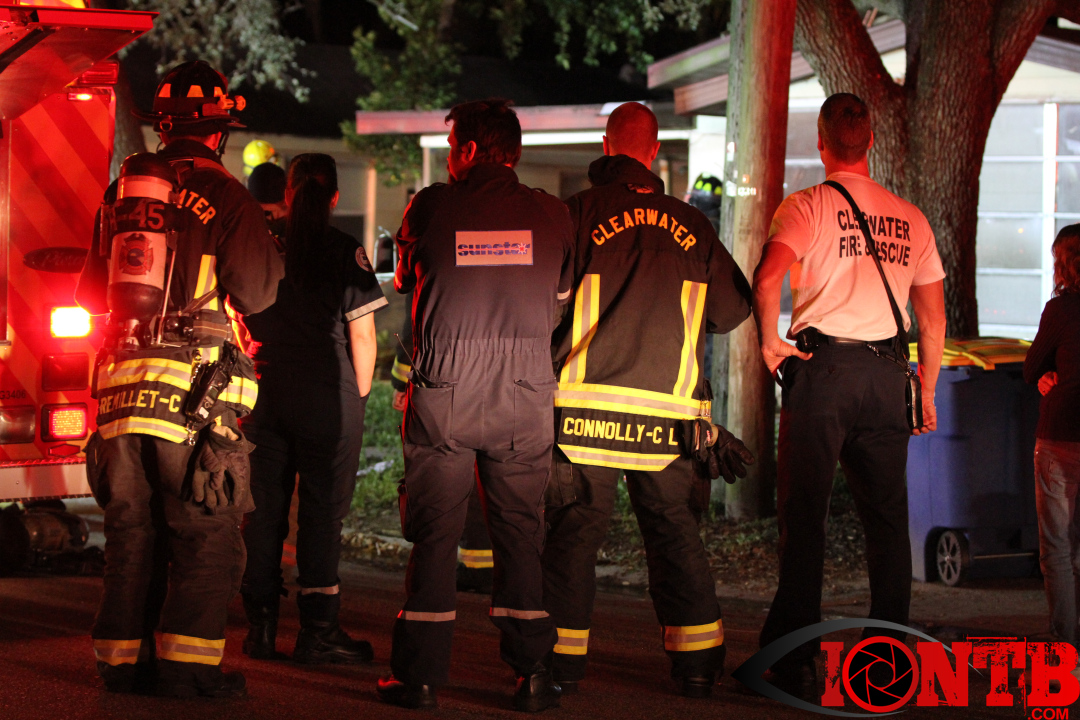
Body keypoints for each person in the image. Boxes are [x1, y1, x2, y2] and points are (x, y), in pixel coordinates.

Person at [76, 61, 284, 698]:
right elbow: (258, 294)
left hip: (120, 390)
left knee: (130, 532)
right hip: (193, 400)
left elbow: (89, 292)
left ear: (162, 129)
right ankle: (189, 672)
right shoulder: (228, 196)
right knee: (204, 530)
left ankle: (121, 663)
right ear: (219, 132)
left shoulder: (123, 197)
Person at [542, 102, 752, 699]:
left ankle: (560, 667)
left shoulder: (577, 214)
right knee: (673, 532)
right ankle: (698, 666)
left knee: (574, 535)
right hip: (668, 420)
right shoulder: (693, 224)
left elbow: (544, 304)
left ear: (607, 145)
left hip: (583, 417)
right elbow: (730, 312)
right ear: (654, 152)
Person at [376, 98, 574, 712]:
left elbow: (405, 280)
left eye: (452, 147)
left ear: (465, 150)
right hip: (524, 392)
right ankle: (533, 674)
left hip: (447, 390)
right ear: (514, 152)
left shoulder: (430, 207)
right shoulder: (553, 214)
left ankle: (420, 678)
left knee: (436, 532)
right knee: (520, 532)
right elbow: (561, 297)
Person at [752, 92, 946, 702]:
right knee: (887, 524)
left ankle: (796, 659)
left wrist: (770, 342)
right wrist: (926, 389)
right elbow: (933, 320)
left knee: (804, 516)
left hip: (825, 372)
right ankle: (888, 661)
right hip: (889, 375)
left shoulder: (807, 206)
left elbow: (767, 277)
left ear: (821, 141)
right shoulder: (910, 218)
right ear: (870, 143)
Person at [239, 154, 387, 664]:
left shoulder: (266, 247)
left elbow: (240, 316)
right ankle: (318, 631)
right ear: (335, 198)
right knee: (322, 516)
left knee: (262, 512)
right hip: (328, 396)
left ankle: (259, 627)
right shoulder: (345, 251)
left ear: (287, 194)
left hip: (265, 393)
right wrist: (357, 399)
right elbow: (362, 337)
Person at [391, 309, 494, 594]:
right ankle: (483, 566)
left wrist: (401, 382)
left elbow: (415, 329)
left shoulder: (434, 276)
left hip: (443, 384)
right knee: (489, 477)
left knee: (442, 481)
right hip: (504, 387)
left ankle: (437, 580)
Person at [1024, 224, 1080, 681]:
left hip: (1062, 434)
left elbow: (1031, 367)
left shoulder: (1060, 310)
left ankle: (1065, 650)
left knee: (1058, 548)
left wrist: (1048, 374)